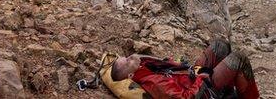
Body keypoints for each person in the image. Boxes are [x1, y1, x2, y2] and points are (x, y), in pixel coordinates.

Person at [109, 38, 260, 99]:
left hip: (190, 76)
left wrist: (184, 67)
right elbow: (187, 97)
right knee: (239, 59)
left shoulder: (145, 66)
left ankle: (226, 91)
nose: (130, 56)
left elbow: (171, 71)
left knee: (220, 45)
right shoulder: (153, 83)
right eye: (128, 61)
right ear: (130, 75)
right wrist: (201, 77)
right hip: (202, 90)